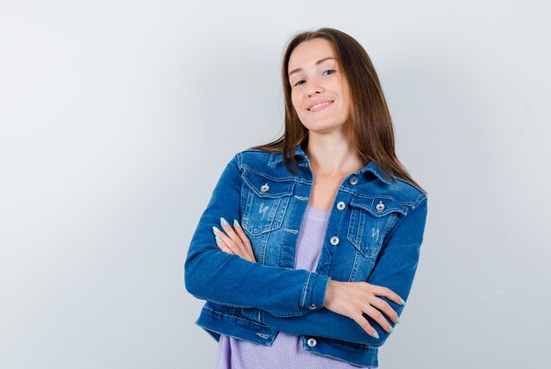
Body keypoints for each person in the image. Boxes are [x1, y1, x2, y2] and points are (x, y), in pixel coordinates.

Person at [184, 27, 429, 368]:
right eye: (297, 81)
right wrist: (327, 293)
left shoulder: (404, 202)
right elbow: (201, 273)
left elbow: (373, 326)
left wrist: (248, 283)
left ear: (359, 81)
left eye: (327, 71)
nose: (311, 87)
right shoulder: (250, 171)